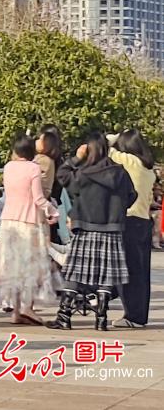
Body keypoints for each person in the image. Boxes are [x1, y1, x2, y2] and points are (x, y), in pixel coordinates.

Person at [48, 132, 137, 331]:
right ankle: (101, 319)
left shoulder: (83, 173)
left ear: (89, 149)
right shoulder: (120, 172)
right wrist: (117, 211)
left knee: (76, 271)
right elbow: (132, 196)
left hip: (86, 227)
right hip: (112, 229)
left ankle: (64, 317)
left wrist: (77, 157)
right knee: (106, 274)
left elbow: (62, 174)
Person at [0, 136, 60, 325]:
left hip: (9, 223)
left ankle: (16, 311)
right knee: (30, 268)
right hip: (29, 222)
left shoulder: (9, 167)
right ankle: (27, 308)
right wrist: (53, 212)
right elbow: (38, 198)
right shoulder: (33, 168)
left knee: (13, 268)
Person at [109, 129, 155, 329]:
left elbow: (104, 148)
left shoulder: (130, 161)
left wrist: (115, 136)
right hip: (144, 221)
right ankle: (138, 315)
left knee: (128, 270)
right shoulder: (148, 169)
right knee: (141, 272)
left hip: (129, 220)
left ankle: (133, 316)